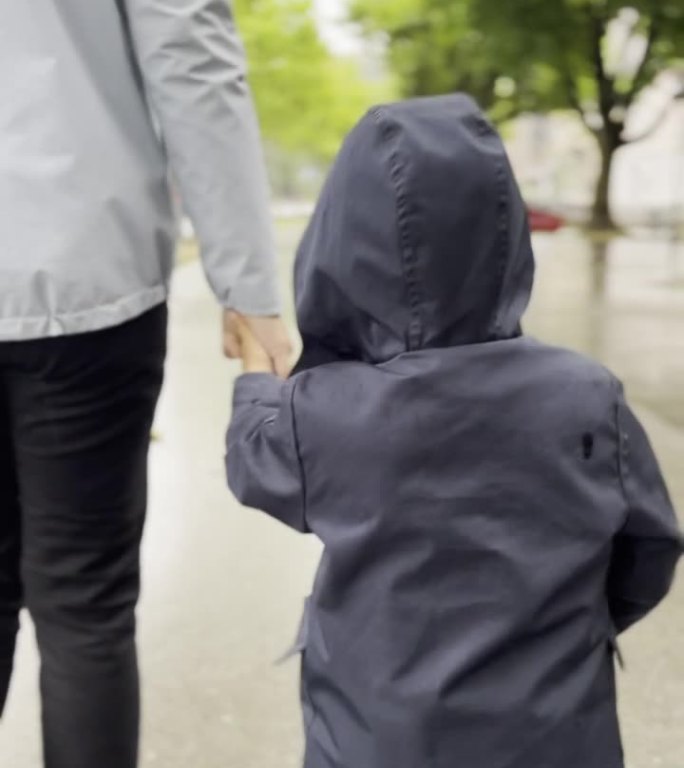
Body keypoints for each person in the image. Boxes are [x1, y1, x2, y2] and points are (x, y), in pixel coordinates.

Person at [226, 95, 683, 768]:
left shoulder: (323, 411)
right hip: (557, 736)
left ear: (341, 243)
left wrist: (256, 371)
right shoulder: (586, 396)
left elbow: (251, 452)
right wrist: (570, 631)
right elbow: (649, 548)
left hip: (376, 739)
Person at [0, 2, 290, 767]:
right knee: (85, 610)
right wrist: (248, 281)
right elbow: (190, 52)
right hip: (84, 267)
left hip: (88, 280)